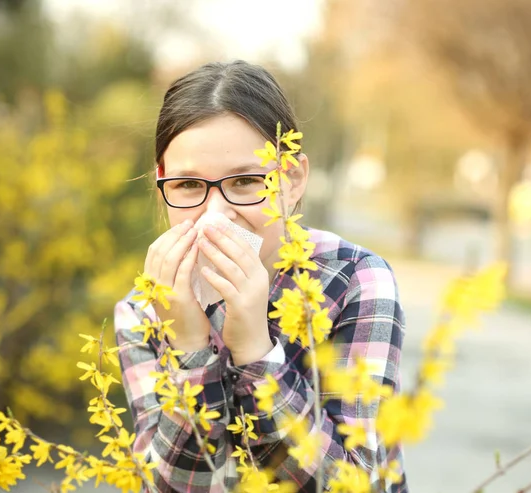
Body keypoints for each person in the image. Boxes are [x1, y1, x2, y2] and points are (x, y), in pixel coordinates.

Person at [114, 60, 408, 493]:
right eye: (189, 186)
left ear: (291, 179)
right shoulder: (143, 311)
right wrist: (190, 349)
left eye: (247, 180)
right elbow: (167, 486)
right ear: (163, 184)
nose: (216, 214)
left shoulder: (354, 281)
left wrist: (255, 349)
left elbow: (355, 484)